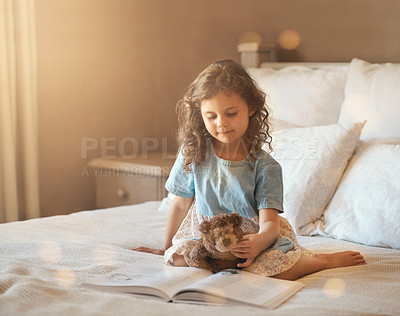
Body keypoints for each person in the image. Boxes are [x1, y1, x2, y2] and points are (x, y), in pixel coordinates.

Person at [134, 59, 366, 280]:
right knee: (177, 259)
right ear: (200, 114)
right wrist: (166, 248)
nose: (221, 123)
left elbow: (270, 226)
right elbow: (180, 204)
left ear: (252, 107)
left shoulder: (266, 167)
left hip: (249, 238)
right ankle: (221, 261)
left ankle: (321, 261)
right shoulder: (193, 153)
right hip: (206, 237)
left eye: (231, 113)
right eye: (211, 116)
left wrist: (258, 242)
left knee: (278, 270)